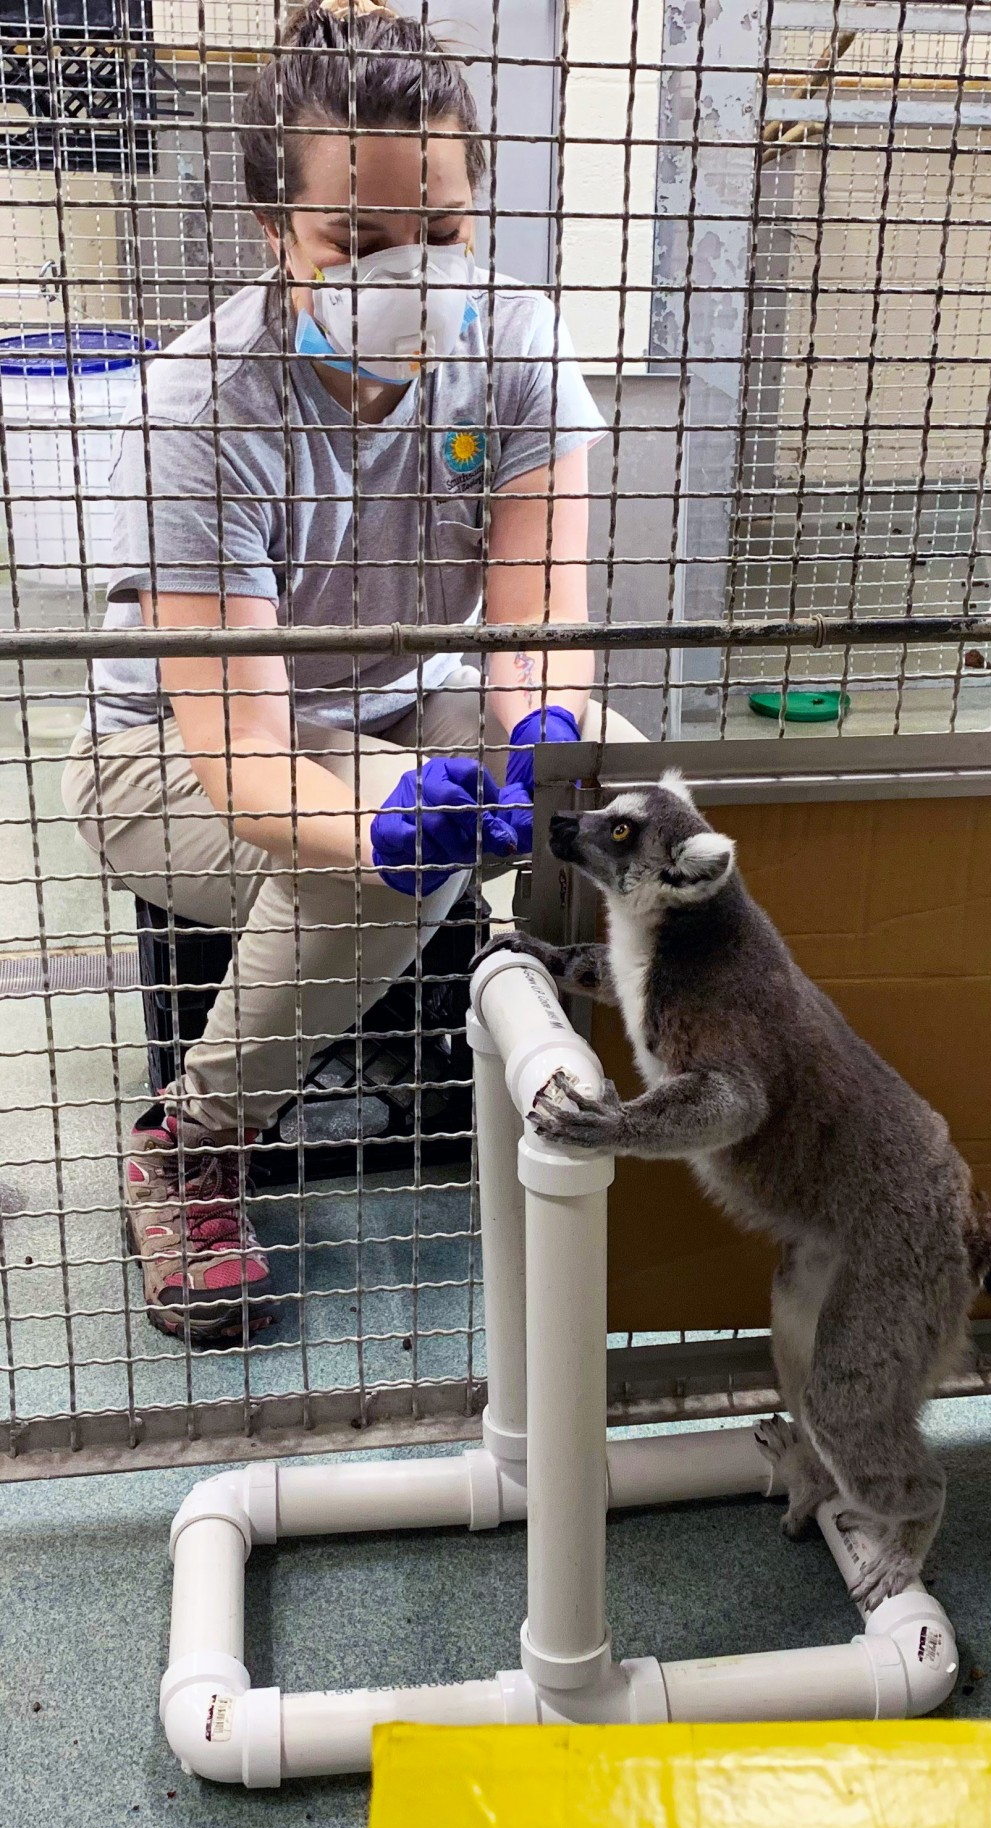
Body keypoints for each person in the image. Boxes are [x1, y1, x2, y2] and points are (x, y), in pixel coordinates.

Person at [61, 0, 617, 1343]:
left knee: (623, 767)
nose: (410, 277)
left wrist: (550, 717)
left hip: (391, 692)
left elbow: (538, 617)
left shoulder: (517, 351)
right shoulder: (203, 406)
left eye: (440, 235)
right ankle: (189, 1149)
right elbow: (247, 754)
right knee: (371, 851)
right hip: (172, 752)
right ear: (272, 234)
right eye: (356, 244)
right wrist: (383, 817)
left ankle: (568, 1054)